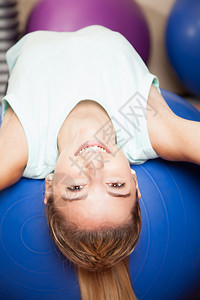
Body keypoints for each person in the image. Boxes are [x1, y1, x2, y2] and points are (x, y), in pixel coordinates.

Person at [0, 25, 199, 300]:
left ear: (48, 188)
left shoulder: (23, 145)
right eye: (116, 185)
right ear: (134, 180)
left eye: (75, 188)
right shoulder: (141, 124)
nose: (94, 169)